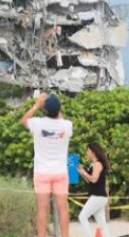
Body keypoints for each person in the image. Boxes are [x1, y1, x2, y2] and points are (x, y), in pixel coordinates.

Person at [21, 91, 73, 237]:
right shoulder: (67, 125)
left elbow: (23, 120)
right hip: (60, 173)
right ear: (59, 109)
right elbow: (60, 118)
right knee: (63, 208)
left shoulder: (38, 123)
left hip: (42, 173)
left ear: (45, 110)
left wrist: (36, 105)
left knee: (42, 209)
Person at [77, 142, 111, 237]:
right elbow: (90, 180)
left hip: (97, 197)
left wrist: (84, 173)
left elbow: (94, 179)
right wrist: (82, 172)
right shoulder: (95, 164)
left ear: (93, 152)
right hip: (100, 197)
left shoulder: (97, 164)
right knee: (102, 223)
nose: (86, 153)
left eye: (88, 151)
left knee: (82, 217)